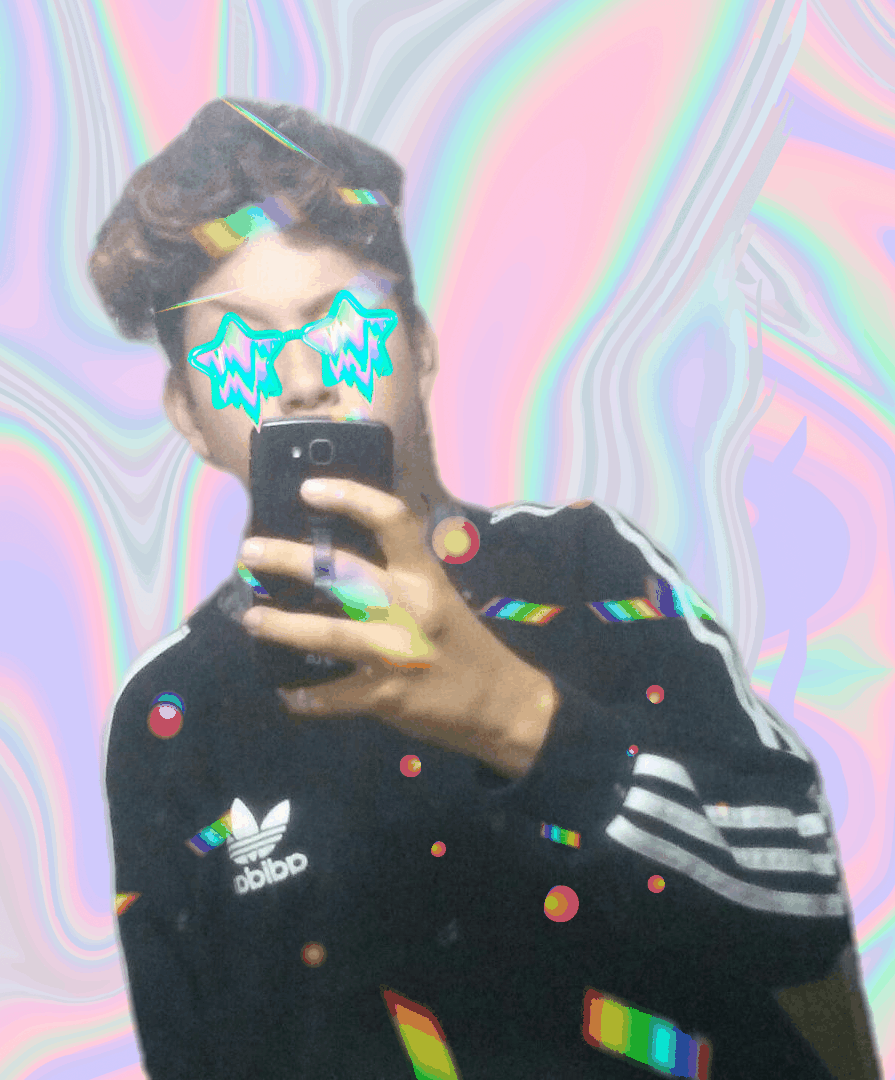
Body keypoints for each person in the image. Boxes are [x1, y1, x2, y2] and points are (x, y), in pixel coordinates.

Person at [91, 99, 881, 1079]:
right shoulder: (173, 716)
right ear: (186, 412)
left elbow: (810, 899)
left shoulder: (584, 568)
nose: (299, 379)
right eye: (240, 347)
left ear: (419, 347)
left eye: (342, 320)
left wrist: (519, 718)